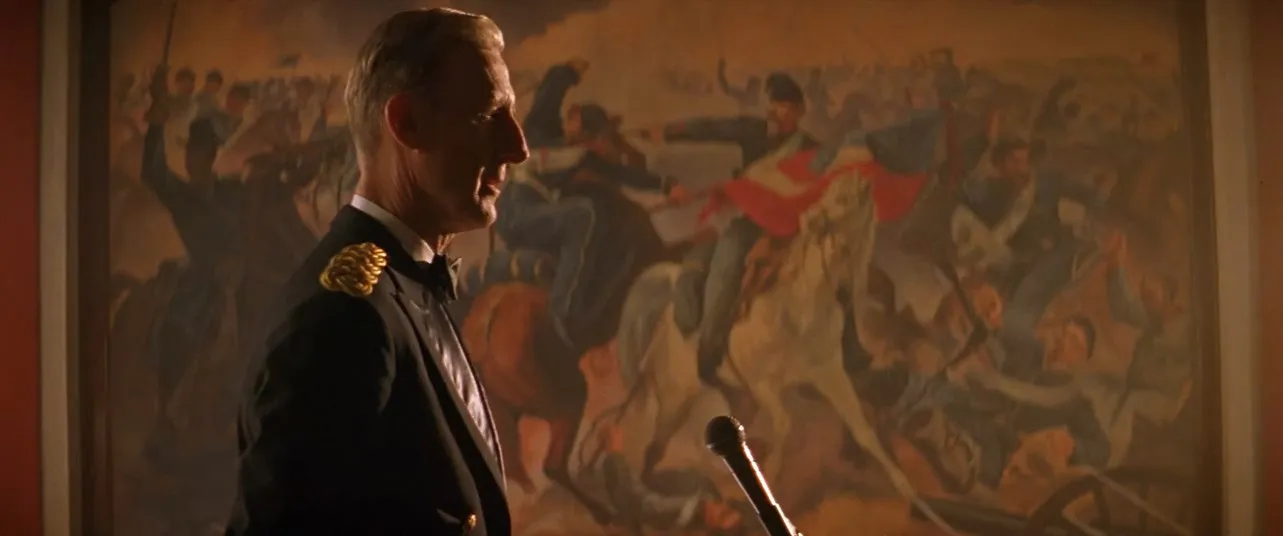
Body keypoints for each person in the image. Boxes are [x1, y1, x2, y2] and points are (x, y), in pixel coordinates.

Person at [225, 8, 529, 536]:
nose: (518, 147)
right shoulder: (342, 319)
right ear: (406, 124)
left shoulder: (403, 283)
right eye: (488, 116)